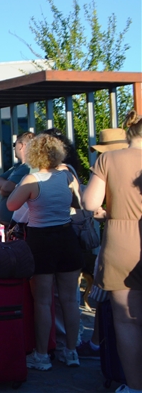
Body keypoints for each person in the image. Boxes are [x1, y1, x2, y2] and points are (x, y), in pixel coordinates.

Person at [7, 133, 83, 371]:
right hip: (67, 237)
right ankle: (71, 351)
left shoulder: (32, 179)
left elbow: (11, 205)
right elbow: (78, 203)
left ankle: (41, 356)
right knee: (70, 300)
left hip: (41, 240)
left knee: (42, 301)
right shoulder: (67, 176)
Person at [83, 112, 142, 392]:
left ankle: (135, 386)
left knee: (127, 322)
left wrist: (109, 210)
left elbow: (89, 202)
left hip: (121, 243)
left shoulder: (108, 159)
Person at [0, 132, 35, 227]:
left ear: (21, 145)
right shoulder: (17, 167)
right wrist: (6, 186)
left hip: (20, 226)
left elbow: (6, 189)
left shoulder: (28, 167)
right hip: (12, 226)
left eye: (14, 144)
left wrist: (5, 187)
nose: (14, 148)